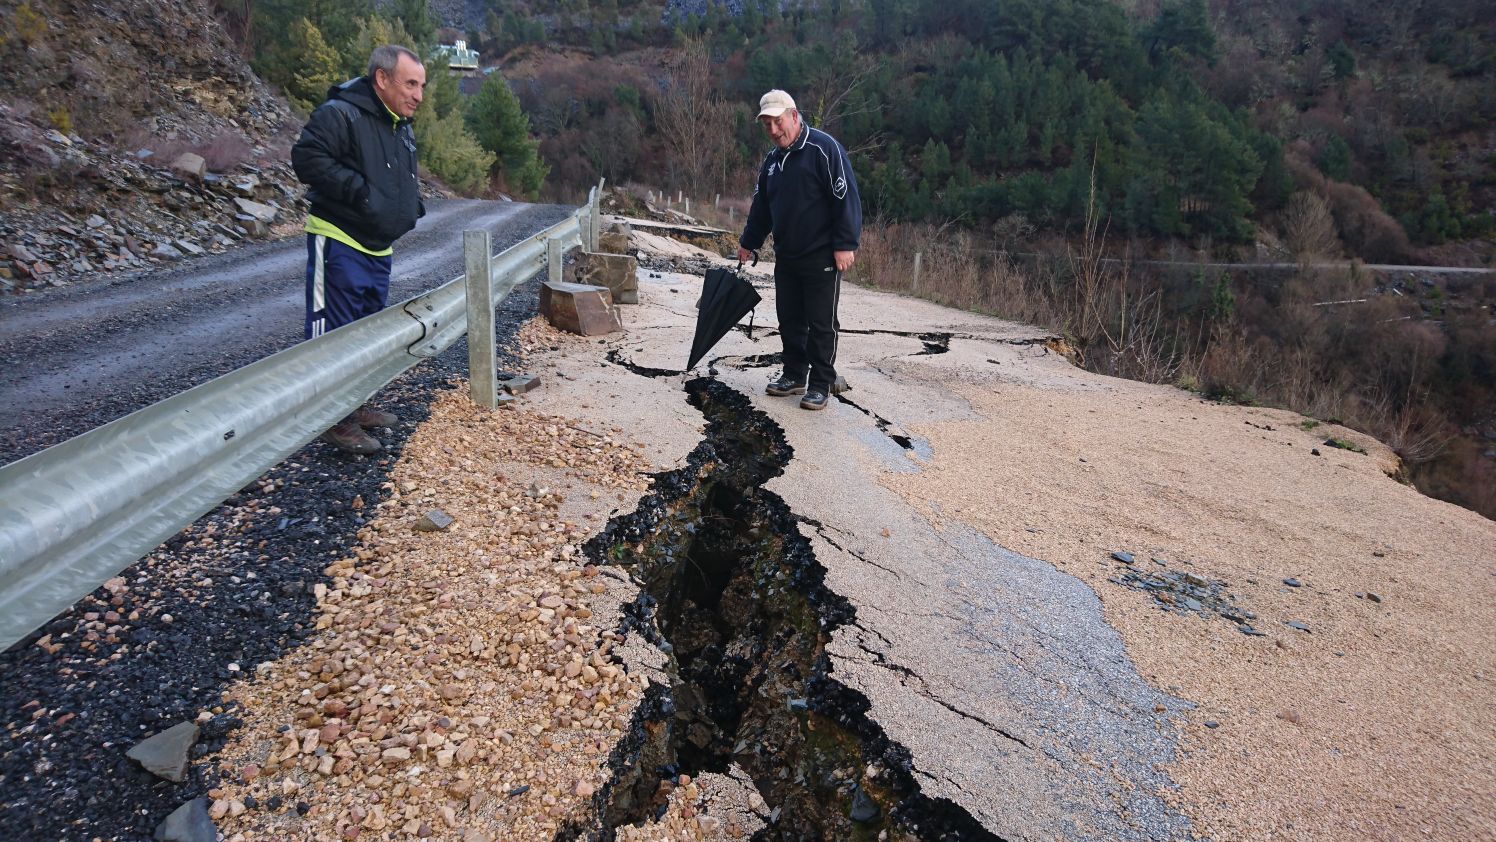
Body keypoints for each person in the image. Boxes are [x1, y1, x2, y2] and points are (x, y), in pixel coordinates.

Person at [291, 44, 427, 454]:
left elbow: (401, 178)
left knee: (364, 333)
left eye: (422, 85)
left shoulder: (399, 124)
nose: (419, 95)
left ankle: (354, 403)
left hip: (377, 247)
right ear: (382, 79)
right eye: (411, 83)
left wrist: (411, 207)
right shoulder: (340, 113)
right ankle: (331, 417)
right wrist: (362, 195)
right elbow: (307, 158)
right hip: (339, 239)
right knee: (333, 332)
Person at [737, 89, 862, 411]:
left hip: (821, 254)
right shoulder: (772, 161)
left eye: (778, 122)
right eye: (767, 125)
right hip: (787, 255)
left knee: (821, 323)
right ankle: (794, 375)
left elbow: (845, 198)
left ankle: (821, 383)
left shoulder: (824, 149)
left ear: (793, 115)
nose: (774, 131)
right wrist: (749, 242)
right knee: (789, 320)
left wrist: (845, 244)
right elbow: (762, 206)